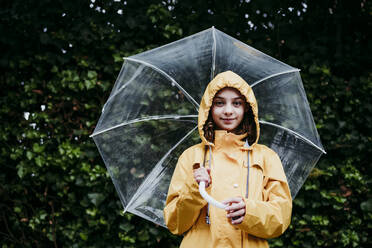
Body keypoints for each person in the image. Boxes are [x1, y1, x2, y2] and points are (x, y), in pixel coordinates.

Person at [163, 71, 292, 248]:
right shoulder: (191, 157)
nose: (228, 111)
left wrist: (250, 212)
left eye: (237, 103)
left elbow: (280, 218)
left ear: (247, 107)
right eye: (219, 103)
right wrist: (195, 188)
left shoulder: (266, 157)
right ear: (209, 107)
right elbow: (175, 223)